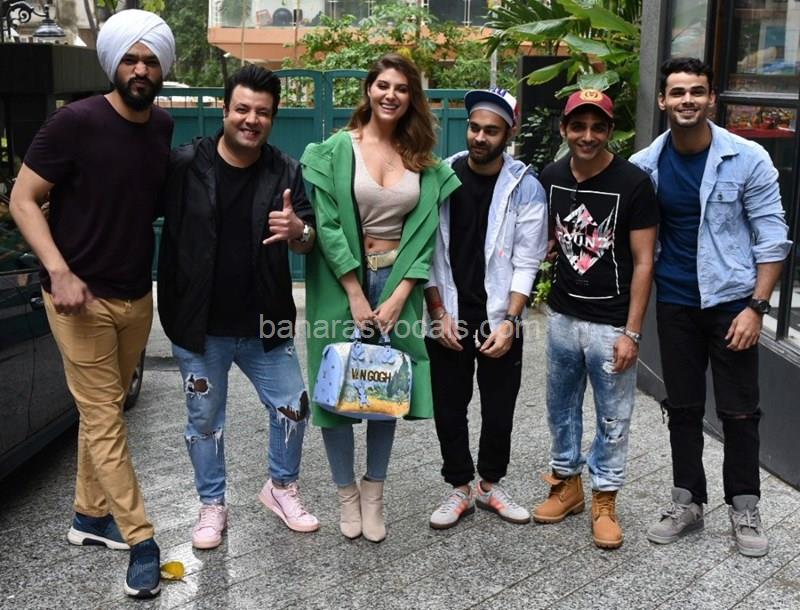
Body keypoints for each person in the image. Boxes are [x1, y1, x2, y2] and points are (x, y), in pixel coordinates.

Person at [9, 9, 175, 599]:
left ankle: (88, 515)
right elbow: (22, 198)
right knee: (105, 417)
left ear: (161, 68)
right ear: (113, 64)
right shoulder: (73, 123)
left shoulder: (162, 126)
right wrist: (59, 272)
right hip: (78, 301)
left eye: (150, 60)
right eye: (130, 59)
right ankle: (142, 540)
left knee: (102, 410)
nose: (140, 69)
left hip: (136, 296)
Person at [630, 58, 791, 557]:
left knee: (740, 411)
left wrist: (757, 307)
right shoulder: (645, 166)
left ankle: (744, 505)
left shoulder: (747, 158)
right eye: (678, 92)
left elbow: (772, 235)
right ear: (663, 100)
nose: (687, 100)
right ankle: (687, 501)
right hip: (675, 303)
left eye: (697, 91)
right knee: (682, 407)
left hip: (732, 303)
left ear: (711, 99)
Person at [157, 65, 319, 549]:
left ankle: (281, 488)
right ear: (225, 110)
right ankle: (212, 504)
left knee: (293, 407)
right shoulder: (186, 164)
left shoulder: (286, 170)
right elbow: (135, 206)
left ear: (273, 118)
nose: (251, 120)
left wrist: (298, 231)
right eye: (243, 109)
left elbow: (308, 239)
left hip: (265, 322)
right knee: (205, 420)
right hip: (199, 324)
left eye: (262, 112)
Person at [301, 54, 459, 543]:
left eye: (402, 88)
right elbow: (327, 225)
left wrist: (401, 294)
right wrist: (353, 290)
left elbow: (425, 236)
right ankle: (346, 494)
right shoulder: (335, 149)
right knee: (335, 383)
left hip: (397, 284)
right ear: (369, 90)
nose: (391, 95)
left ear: (412, 98)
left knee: (384, 387)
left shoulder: (423, 161)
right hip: (340, 282)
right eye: (383, 85)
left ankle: (374, 493)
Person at [532, 89, 659, 549]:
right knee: (560, 408)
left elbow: (644, 261)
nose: (588, 136)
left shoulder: (634, 184)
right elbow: (546, 234)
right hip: (563, 316)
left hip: (611, 324)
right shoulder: (550, 177)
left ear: (609, 132)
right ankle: (567, 486)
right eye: (579, 126)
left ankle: (606, 498)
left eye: (598, 127)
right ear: (564, 129)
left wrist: (632, 332)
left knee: (613, 417)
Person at [424, 88, 548, 530]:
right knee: (449, 407)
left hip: (500, 319)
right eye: (475, 128)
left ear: (509, 134)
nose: (480, 137)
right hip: (449, 314)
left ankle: (490, 484)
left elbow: (528, 260)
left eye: (491, 131)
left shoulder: (525, 186)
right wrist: (438, 313)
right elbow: (425, 252)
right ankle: (459, 487)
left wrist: (511, 321)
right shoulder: (440, 177)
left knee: (499, 409)